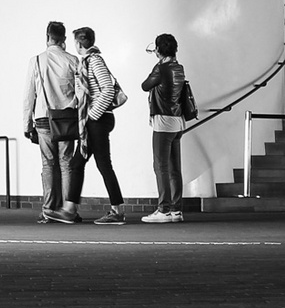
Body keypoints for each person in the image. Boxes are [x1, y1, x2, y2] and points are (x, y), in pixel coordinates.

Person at [22, 21, 89, 225]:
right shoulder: (73, 61)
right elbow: (81, 93)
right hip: (66, 119)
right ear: (64, 39)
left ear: (47, 37)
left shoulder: (36, 61)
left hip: (43, 119)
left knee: (48, 165)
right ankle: (68, 210)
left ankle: (49, 210)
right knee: (67, 164)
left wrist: (27, 124)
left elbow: (28, 95)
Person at [73, 27, 128, 225]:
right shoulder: (88, 61)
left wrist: (90, 116)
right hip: (97, 119)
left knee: (103, 165)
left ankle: (117, 211)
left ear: (79, 44)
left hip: (99, 119)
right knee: (78, 163)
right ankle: (69, 208)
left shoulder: (94, 60)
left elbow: (107, 90)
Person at [141, 33, 188, 223]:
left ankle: (164, 210)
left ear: (159, 50)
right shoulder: (179, 67)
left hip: (163, 122)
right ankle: (176, 210)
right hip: (178, 121)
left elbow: (145, 86)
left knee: (160, 166)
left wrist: (157, 61)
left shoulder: (161, 68)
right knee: (175, 167)